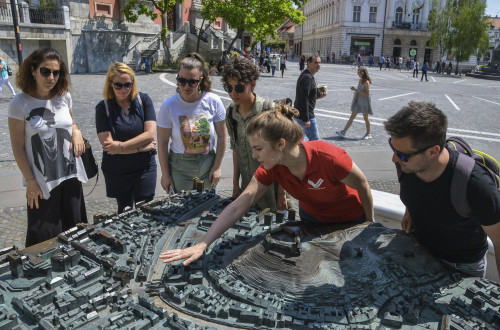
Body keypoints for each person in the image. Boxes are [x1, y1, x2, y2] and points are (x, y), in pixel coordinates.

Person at [159, 105, 374, 266]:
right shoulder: (273, 167)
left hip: (350, 221)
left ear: (281, 144)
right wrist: (203, 243)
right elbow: (239, 204)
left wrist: (369, 223)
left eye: (258, 148)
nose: (253, 155)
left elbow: (362, 184)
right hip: (313, 221)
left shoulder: (329, 157)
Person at [384, 102, 500, 278]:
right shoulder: (407, 165)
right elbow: (416, 190)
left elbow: (499, 240)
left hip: (462, 268)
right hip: (421, 253)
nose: (394, 158)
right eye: (393, 148)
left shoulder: (476, 186)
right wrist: (410, 210)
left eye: (401, 154)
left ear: (433, 151)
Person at [8, 48, 88, 247]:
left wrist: (76, 132)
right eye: (45, 71)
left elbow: (71, 123)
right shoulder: (20, 103)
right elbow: (17, 147)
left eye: (56, 72)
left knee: (75, 233)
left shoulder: (64, 96)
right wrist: (30, 181)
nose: (51, 77)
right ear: (33, 70)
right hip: (42, 182)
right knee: (44, 238)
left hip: (70, 176)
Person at [222, 57, 286, 211]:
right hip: (247, 188)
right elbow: (236, 149)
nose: (233, 93)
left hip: (272, 189)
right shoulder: (231, 113)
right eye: (228, 87)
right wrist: (235, 184)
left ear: (252, 84)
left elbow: (284, 155)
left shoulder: (268, 110)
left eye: (239, 88)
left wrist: (282, 194)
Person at [157, 53, 227, 193]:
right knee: (182, 209)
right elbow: (163, 143)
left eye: (192, 82)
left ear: (200, 80)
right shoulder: (169, 105)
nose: (186, 86)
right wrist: (165, 174)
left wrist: (217, 166)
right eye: (181, 81)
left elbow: (222, 136)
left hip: (208, 164)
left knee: (208, 209)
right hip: (180, 167)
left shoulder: (213, 101)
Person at [95, 63, 157, 214]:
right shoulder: (103, 108)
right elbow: (109, 147)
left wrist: (121, 147)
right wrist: (139, 148)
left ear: (133, 83)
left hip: (144, 168)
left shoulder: (144, 101)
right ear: (110, 84)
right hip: (118, 171)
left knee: (146, 211)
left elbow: (149, 134)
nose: (124, 89)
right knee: (124, 212)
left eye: (128, 84)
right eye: (118, 85)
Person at [294, 55, 326, 141]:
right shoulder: (307, 78)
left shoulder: (307, 75)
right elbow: (303, 99)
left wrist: (318, 96)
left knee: (299, 142)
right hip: (306, 116)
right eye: (315, 62)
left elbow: (307, 96)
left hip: (300, 115)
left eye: (319, 62)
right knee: (315, 141)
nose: (318, 64)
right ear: (308, 63)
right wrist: (306, 119)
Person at [336, 67, 372, 140]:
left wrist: (356, 90)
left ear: (364, 73)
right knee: (352, 116)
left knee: (366, 118)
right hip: (358, 101)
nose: (359, 75)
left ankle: (368, 133)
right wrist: (355, 89)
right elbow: (359, 90)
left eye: (360, 73)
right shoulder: (360, 81)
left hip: (364, 102)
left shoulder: (367, 82)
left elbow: (367, 94)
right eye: (358, 73)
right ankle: (343, 132)